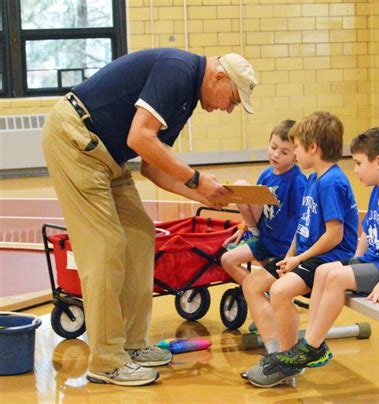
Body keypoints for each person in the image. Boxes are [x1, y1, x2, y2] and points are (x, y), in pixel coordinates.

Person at [41, 48, 257, 387]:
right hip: (76, 141)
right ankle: (107, 361)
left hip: (108, 157)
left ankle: (133, 344)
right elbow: (139, 137)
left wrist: (203, 195)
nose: (228, 109)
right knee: (106, 247)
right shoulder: (178, 71)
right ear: (218, 77)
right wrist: (197, 179)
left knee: (141, 234)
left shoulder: (186, 97)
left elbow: (153, 167)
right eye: (232, 99)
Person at [261, 127, 379, 386]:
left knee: (336, 277)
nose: (356, 170)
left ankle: (310, 346)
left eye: (360, 163)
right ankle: (312, 343)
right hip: (376, 263)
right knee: (324, 271)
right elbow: (367, 233)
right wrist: (354, 261)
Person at [244, 111, 359, 387]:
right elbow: (303, 226)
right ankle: (277, 352)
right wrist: (289, 256)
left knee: (281, 292)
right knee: (252, 284)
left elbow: (335, 235)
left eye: (296, 147)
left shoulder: (332, 182)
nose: (294, 153)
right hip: (305, 256)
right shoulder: (313, 179)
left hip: (327, 259)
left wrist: (300, 259)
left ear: (313, 148)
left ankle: (287, 362)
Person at [220, 120, 307, 285]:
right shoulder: (267, 174)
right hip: (264, 237)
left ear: (296, 156)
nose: (275, 155)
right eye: (273, 148)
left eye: (284, 152)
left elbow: (302, 221)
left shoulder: (298, 182)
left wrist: (293, 253)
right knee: (227, 260)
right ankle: (263, 294)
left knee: (233, 261)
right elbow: (253, 200)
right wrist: (243, 227)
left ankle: (261, 292)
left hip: (283, 246)